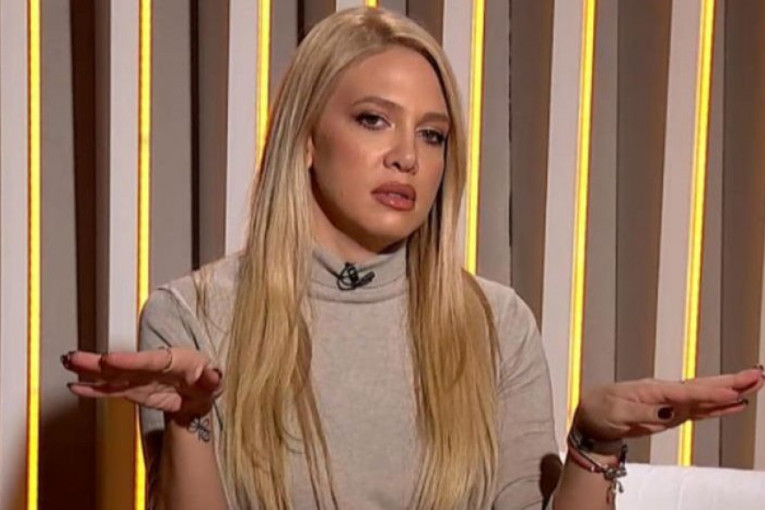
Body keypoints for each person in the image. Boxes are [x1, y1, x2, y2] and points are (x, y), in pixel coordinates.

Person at [62, 7, 764, 510]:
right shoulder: (192, 314)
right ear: (306, 140)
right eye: (374, 120)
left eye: (432, 135)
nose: (406, 156)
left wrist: (595, 442)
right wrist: (192, 419)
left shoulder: (495, 322)